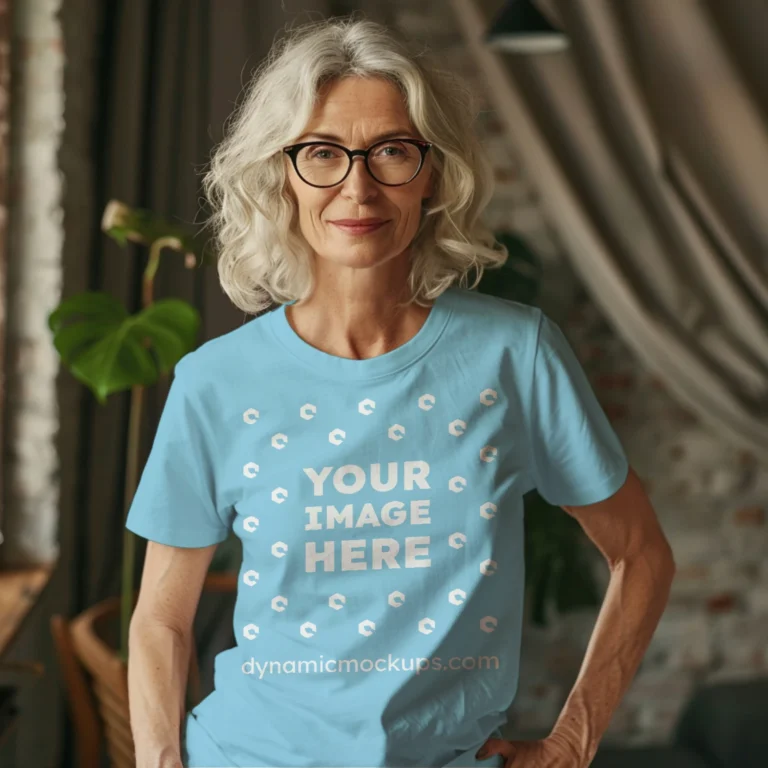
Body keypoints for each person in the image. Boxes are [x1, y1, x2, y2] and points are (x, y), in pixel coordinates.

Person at [125, 14, 676, 768]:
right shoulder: (215, 382)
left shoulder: (514, 354)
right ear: (283, 175)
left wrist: (575, 739)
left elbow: (642, 553)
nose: (357, 186)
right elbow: (161, 619)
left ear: (434, 174)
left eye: (390, 151)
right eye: (322, 152)